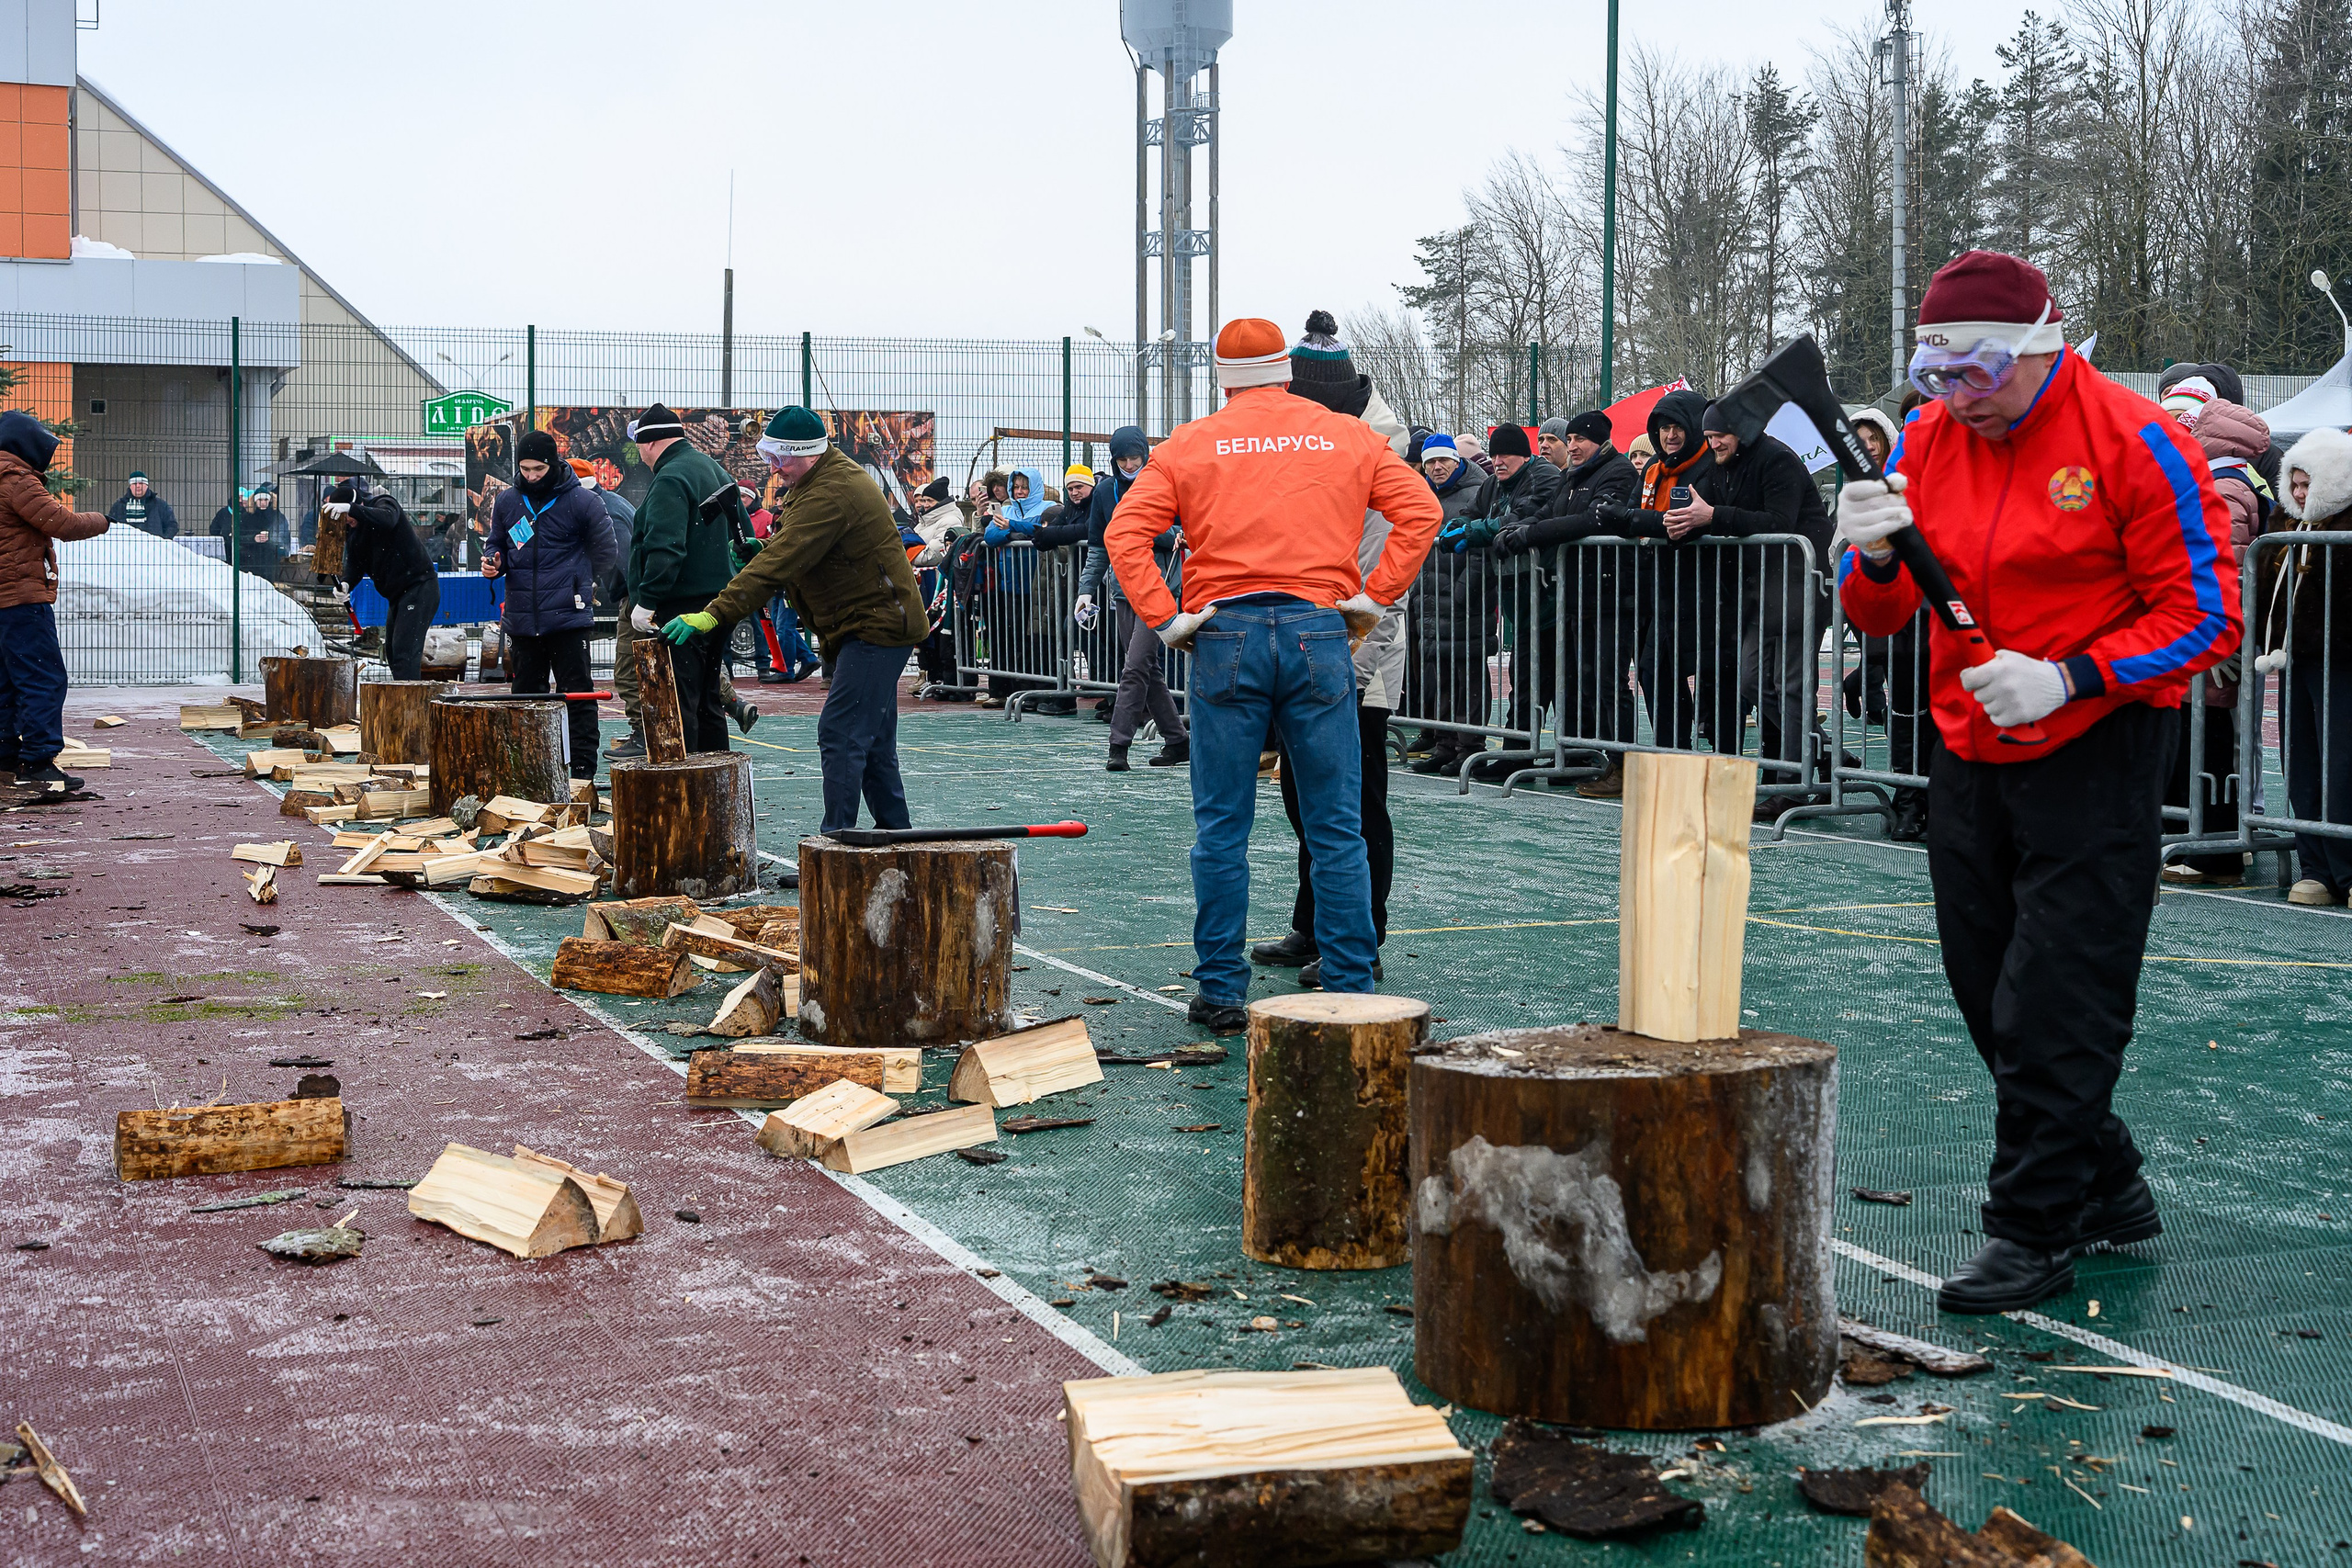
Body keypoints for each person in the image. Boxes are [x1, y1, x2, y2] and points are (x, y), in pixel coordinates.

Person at [1837, 249, 2239, 1312]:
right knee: (1985, 989)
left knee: (2058, 997)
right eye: (1935, 378)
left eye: (1978, 374)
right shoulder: (1926, 439)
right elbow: (1877, 616)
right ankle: (2106, 1180)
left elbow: (2207, 614)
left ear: (2039, 348)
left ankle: (2030, 1229)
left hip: (2093, 750)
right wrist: (1872, 561)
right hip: (1966, 743)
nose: (1957, 401)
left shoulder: (2136, 439)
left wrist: (2071, 676)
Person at [1105, 316, 1442, 1033]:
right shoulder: (1348, 435)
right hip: (1319, 632)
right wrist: (1373, 597)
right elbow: (1421, 511)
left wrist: (1168, 620)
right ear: (1286, 373)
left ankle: (1221, 988)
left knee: (1221, 826)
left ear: (1222, 380)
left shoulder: (1191, 443)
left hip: (1225, 633)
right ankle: (1350, 981)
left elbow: (1124, 534)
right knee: (1336, 824)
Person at [1253, 311, 1420, 985]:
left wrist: (1343, 673)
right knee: (1302, 791)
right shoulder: (1319, 438)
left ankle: (1361, 936)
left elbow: (1385, 583)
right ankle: (1313, 920)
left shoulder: (1377, 452)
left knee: (1354, 802)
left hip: (1355, 662)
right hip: (1309, 644)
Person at [671, 407, 928, 832]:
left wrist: (712, 615)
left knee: (841, 734)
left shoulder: (832, 492)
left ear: (808, 453)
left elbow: (780, 564)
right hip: (868, 625)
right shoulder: (817, 480)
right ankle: (895, 836)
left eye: (782, 458)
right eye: (771, 457)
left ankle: (835, 843)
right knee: (874, 743)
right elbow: (793, 552)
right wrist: (765, 549)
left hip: (877, 628)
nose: (775, 467)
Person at [1687, 398, 1837, 818]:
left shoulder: (1779, 461)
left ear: (1743, 432)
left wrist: (1712, 515)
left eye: (1719, 435)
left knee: (1789, 685)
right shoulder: (1721, 466)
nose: (1712, 443)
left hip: (1799, 585)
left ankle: (1794, 781)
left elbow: (1778, 522)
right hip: (1761, 590)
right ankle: (1822, 756)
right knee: (1752, 681)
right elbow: (1702, 513)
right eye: (1709, 436)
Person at [2158, 377, 2268, 883]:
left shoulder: (2222, 484)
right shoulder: (2224, 476)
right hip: (2198, 637)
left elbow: (2222, 564)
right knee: (2197, 736)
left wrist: (2217, 632)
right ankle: (2200, 841)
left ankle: (2214, 849)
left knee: (2210, 739)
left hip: (2207, 640)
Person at [1501, 409, 1642, 797]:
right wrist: (1517, 527)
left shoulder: (1617, 472)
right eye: (1573, 439)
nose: (1574, 446)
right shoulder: (1573, 476)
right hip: (1577, 592)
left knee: (1609, 681)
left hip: (1612, 593)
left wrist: (1531, 535)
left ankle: (1624, 763)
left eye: (1581, 439)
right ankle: (1584, 752)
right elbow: (1549, 512)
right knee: (1584, 679)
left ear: (1600, 441)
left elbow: (1591, 521)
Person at [2255, 427, 2352, 906]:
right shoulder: (2284, 526)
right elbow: (2260, 592)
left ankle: (2348, 870)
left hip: (2345, 663)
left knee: (2344, 765)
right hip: (2295, 662)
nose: (2298, 493)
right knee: (2301, 766)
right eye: (2293, 483)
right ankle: (2316, 866)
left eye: (2307, 483)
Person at [485, 431, 617, 779]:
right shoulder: (507, 502)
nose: (531, 476)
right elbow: (496, 543)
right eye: (525, 469)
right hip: (522, 619)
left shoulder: (582, 502)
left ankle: (583, 770)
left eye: (538, 468)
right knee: (525, 698)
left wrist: (581, 579)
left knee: (577, 694)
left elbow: (606, 551)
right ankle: (526, 770)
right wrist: (493, 563)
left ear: (553, 463)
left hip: (568, 618)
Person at [0, 413, 107, 792]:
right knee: (41, 677)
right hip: (21, 597)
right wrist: (103, 520)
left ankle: (6, 759)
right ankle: (39, 762)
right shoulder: (16, 480)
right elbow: (62, 523)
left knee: (7, 680)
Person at [627, 404, 741, 754]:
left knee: (679, 702)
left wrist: (646, 600)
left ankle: (684, 791)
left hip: (680, 609)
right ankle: (716, 784)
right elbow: (742, 538)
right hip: (720, 604)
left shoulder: (671, 477)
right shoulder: (715, 469)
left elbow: (666, 546)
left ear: (648, 444)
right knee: (708, 702)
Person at [1077, 426, 1190, 770]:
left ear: (1145, 454)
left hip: (1160, 587)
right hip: (1122, 591)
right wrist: (1084, 590)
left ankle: (1118, 745)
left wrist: (1160, 533)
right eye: (1122, 459)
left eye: (1134, 458)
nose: (1128, 464)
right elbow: (1098, 548)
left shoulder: (1166, 484)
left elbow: (1184, 532)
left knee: (1136, 665)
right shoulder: (1106, 492)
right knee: (1147, 668)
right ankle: (1178, 739)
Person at [1407, 433, 1497, 776]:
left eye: (1443, 460)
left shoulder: (1477, 493)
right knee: (1438, 675)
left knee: (1468, 675)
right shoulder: (1423, 494)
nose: (1437, 467)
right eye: (1430, 462)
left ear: (1457, 461)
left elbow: (1482, 552)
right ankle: (1445, 744)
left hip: (1464, 601)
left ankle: (1470, 746)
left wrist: (1463, 592)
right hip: (1429, 599)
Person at [574, 458, 650, 760]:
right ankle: (731, 700)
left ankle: (644, 733)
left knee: (628, 670)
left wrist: (640, 604)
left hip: (639, 597)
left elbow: (627, 563)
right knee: (677, 660)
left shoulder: (604, 513)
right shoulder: (611, 503)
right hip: (641, 593)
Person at [329, 478, 439, 681]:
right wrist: (345, 584)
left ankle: (411, 705)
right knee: (392, 652)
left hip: (419, 586)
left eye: (347, 515)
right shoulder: (354, 532)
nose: (347, 522)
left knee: (405, 653)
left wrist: (352, 509)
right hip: (397, 595)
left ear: (357, 505)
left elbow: (388, 519)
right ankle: (401, 699)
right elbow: (355, 564)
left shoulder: (384, 504)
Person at [107, 470, 176, 538]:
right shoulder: (119, 506)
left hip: (153, 547)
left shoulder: (160, 505)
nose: (138, 486)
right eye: (134, 483)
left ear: (147, 485)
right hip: (126, 547)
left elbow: (172, 525)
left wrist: (163, 542)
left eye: (141, 483)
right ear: (130, 486)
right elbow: (111, 527)